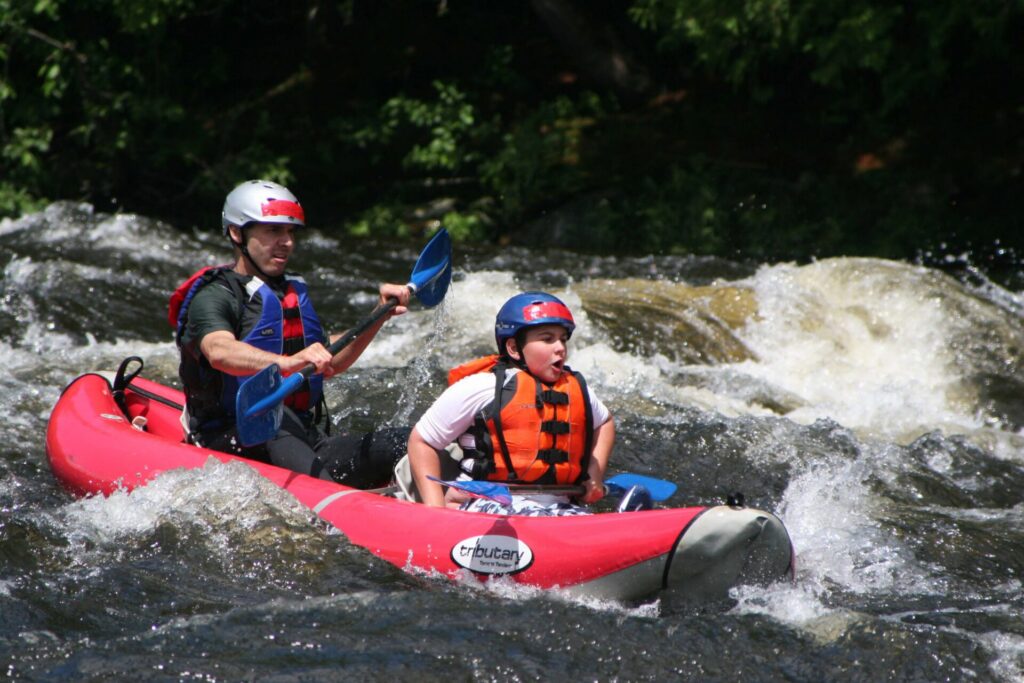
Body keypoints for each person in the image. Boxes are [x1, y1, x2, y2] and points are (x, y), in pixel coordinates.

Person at [169, 179, 410, 488]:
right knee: (273, 415)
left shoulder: (289, 293)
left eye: (290, 232)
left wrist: (379, 315)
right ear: (236, 232)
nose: (287, 242)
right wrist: (286, 363)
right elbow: (218, 351)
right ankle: (336, 507)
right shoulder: (215, 294)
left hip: (302, 438)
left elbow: (332, 362)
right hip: (231, 439)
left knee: (405, 440)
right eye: (273, 231)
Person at [407, 291, 615, 516]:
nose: (560, 347)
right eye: (547, 339)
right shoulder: (482, 387)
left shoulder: (579, 390)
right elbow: (422, 442)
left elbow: (605, 422)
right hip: (484, 502)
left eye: (562, 339)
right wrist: (435, 511)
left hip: (559, 506)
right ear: (514, 348)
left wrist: (594, 475)